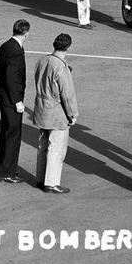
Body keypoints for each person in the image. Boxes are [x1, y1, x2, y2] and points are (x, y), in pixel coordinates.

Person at [32, 33, 78, 194]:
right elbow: (67, 93)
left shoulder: (42, 60)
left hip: (41, 107)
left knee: (42, 145)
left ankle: (41, 178)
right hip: (56, 111)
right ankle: (51, 182)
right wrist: (72, 114)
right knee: (56, 148)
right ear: (68, 47)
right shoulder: (61, 66)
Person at [0, 19, 30, 183]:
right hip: (11, 99)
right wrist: (17, 101)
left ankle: (0, 169)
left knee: (6, 132)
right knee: (12, 135)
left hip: (3, 94)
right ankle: (7, 172)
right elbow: (12, 77)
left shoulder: (5, 46)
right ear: (26, 33)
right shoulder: (16, 50)